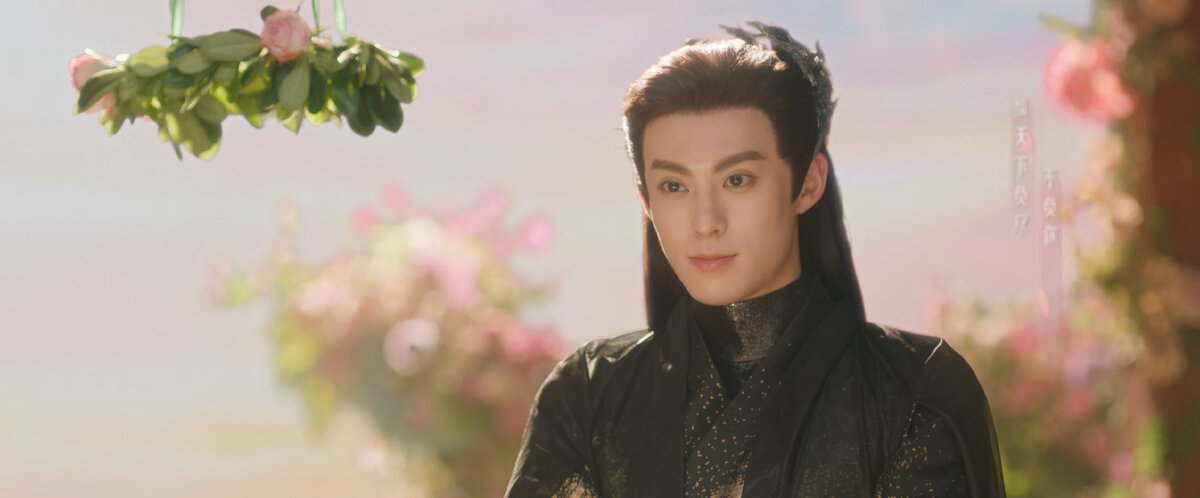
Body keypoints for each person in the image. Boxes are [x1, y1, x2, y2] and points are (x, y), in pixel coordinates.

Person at [505, 21, 1005, 497]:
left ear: (808, 183)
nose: (706, 222)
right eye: (674, 186)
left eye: (737, 180)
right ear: (646, 201)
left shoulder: (915, 392)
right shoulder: (587, 395)